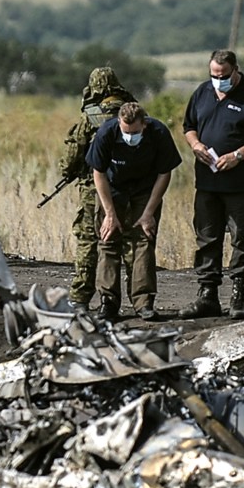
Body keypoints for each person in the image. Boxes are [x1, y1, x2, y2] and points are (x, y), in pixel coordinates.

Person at [179, 49, 244, 320]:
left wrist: (237, 156)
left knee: (241, 239)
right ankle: (207, 295)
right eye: (214, 75)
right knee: (206, 238)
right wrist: (196, 144)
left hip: (241, 184)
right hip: (207, 181)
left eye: (223, 76)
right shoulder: (202, 92)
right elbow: (188, 126)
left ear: (236, 70)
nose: (218, 80)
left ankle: (239, 297)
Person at [86, 102, 182, 321]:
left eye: (135, 132)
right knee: (108, 239)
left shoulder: (158, 133)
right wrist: (110, 214)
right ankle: (108, 302)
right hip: (113, 188)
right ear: (119, 123)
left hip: (145, 189)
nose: (130, 136)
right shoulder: (106, 133)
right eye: (126, 132)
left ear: (144, 124)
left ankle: (143, 302)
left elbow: (164, 174)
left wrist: (149, 213)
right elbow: (98, 173)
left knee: (144, 240)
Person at [59, 67, 136, 309]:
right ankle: (137, 298)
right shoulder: (132, 112)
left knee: (88, 241)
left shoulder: (89, 116)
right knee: (129, 245)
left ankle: (80, 298)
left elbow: (72, 156)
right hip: (129, 188)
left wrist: (68, 172)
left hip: (94, 189)